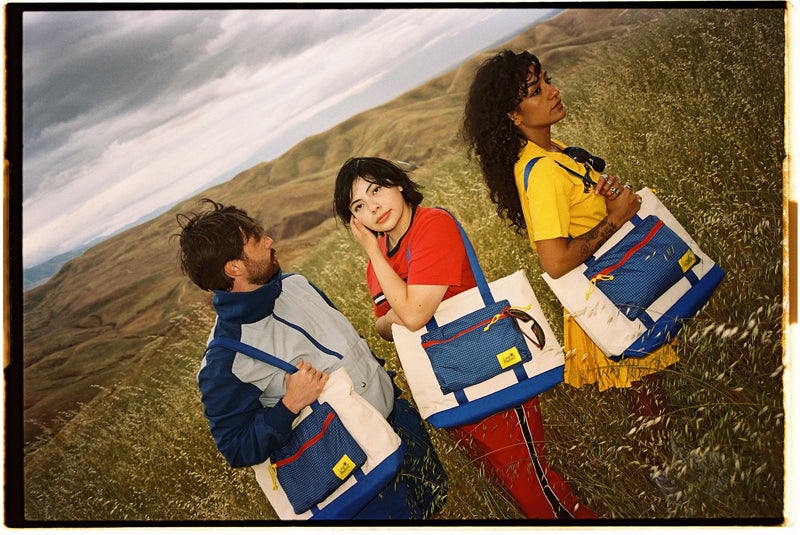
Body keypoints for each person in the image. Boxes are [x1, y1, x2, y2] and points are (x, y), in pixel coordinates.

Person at [332, 157, 595, 519]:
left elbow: (413, 316)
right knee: (509, 485)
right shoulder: (377, 263)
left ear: (397, 184)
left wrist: (388, 280)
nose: (372, 206)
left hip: (491, 369)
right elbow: (384, 324)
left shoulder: (431, 226)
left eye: (376, 189)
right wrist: (395, 300)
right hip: (448, 384)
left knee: (534, 486)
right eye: (358, 205)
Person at [461, 50, 677, 460]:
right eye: (536, 90)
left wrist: (600, 201)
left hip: (620, 285)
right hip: (608, 297)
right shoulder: (539, 170)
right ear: (513, 114)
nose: (552, 91)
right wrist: (612, 219)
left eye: (547, 80)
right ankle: (672, 483)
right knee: (647, 404)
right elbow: (554, 261)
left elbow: (572, 217)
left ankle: (676, 469)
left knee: (652, 390)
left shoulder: (550, 152)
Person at [174, 198, 448, 520]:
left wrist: (391, 390)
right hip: (359, 473)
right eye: (256, 240)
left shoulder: (298, 284)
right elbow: (235, 446)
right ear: (234, 268)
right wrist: (289, 405)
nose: (269, 241)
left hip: (402, 427)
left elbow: (351, 344)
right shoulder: (224, 359)